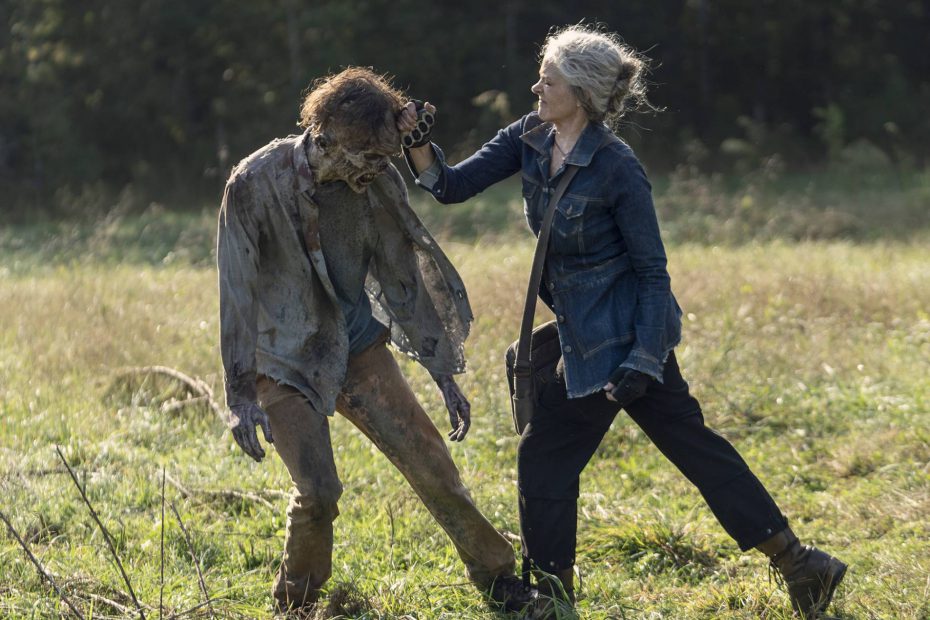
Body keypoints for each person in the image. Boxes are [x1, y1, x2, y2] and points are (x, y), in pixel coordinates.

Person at [401, 25, 847, 619]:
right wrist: (418, 145)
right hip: (585, 335)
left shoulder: (617, 168)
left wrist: (642, 358)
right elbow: (451, 187)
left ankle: (553, 600)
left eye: (549, 80)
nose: (536, 87)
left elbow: (653, 273)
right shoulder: (529, 137)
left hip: (622, 342)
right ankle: (802, 564)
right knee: (695, 449)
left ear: (581, 94)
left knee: (548, 458)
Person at [216, 67, 533, 613]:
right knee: (318, 493)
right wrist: (240, 396)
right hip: (283, 358)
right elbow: (235, 294)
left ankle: (500, 580)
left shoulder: (380, 180)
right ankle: (296, 605)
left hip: (357, 346)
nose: (376, 169)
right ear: (326, 138)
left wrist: (442, 374)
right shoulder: (254, 184)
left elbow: (402, 278)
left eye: (385, 158)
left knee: (433, 465)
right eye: (366, 156)